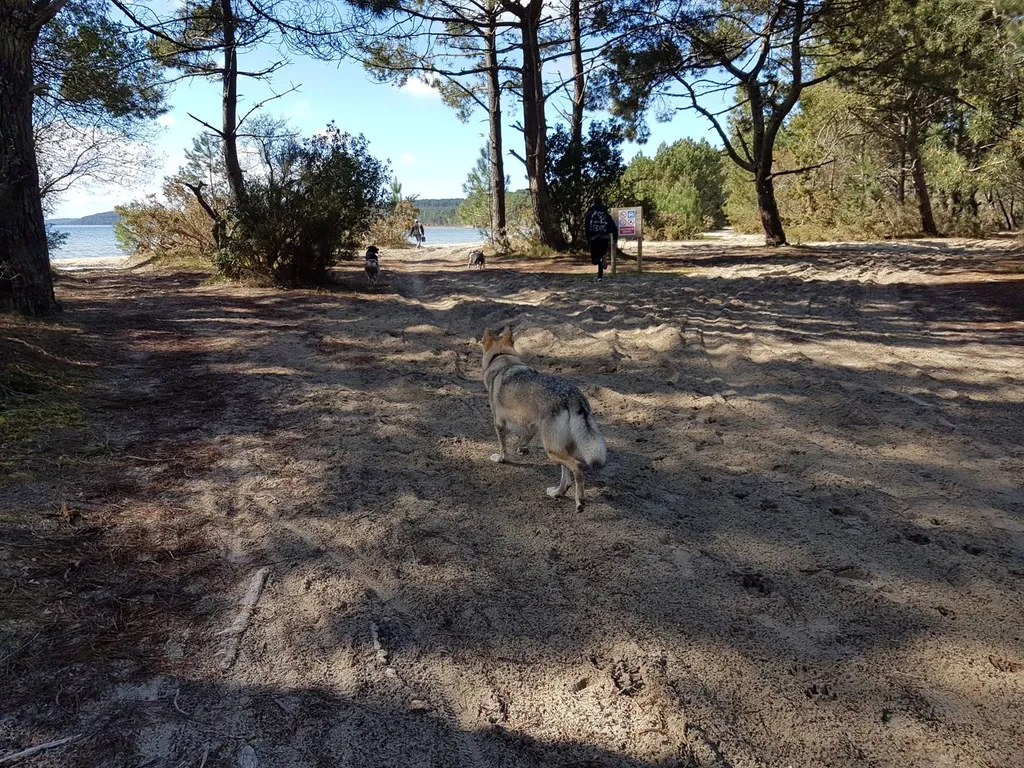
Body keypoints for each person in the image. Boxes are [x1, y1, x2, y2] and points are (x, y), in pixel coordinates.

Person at [584, 194, 618, 281]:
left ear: (594, 203)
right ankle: (600, 277)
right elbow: (612, 225)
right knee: (601, 255)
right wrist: (615, 237)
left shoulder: (590, 214)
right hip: (604, 238)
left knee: (595, 259)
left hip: (594, 238)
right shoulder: (605, 213)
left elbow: (587, 226)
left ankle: (600, 267)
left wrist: (588, 238)